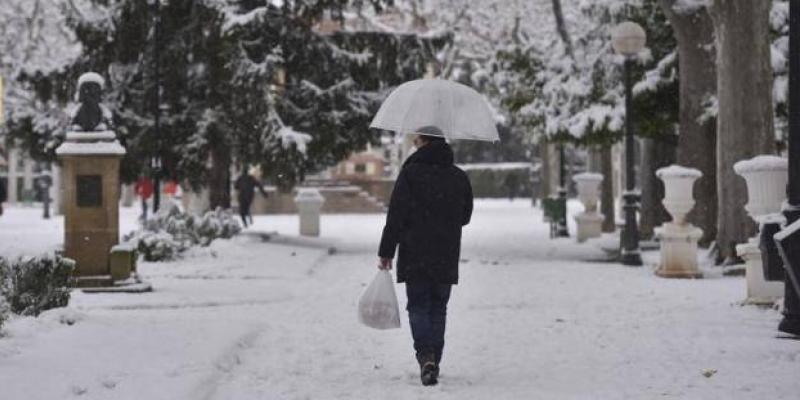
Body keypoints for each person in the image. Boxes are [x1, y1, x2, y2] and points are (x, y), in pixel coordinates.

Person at [378, 126, 473, 386]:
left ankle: (426, 357)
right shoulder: (458, 177)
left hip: (415, 251)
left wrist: (386, 252)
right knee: (438, 307)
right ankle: (434, 360)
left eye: (417, 140)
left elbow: (395, 217)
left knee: (418, 305)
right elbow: (465, 216)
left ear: (422, 142)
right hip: (446, 252)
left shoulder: (410, 175)